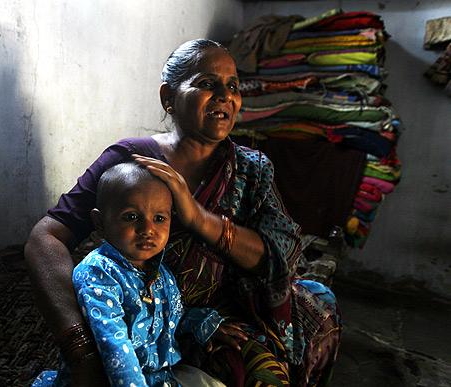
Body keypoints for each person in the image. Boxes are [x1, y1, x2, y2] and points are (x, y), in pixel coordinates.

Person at [26, 39, 341, 387]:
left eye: (233, 86)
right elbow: (47, 236)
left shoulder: (251, 170)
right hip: (134, 313)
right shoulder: (131, 162)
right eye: (207, 83)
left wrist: (197, 218)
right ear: (168, 97)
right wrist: (79, 345)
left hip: (216, 317)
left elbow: (279, 255)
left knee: (277, 359)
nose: (225, 95)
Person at [33, 162, 241, 386]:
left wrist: (202, 324)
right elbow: (113, 342)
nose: (148, 229)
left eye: (159, 218)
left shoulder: (162, 273)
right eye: (131, 217)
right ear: (100, 223)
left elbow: (171, 319)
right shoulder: (98, 271)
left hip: (158, 377)